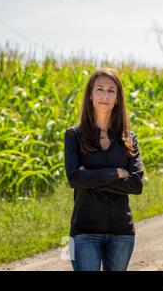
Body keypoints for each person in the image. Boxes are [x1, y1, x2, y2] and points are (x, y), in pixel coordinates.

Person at [64, 67, 145, 271]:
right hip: (84, 231)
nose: (105, 95)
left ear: (118, 98)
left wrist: (90, 179)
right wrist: (116, 173)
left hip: (122, 231)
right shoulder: (74, 135)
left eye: (111, 90)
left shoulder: (129, 138)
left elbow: (136, 184)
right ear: (90, 95)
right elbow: (74, 179)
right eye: (99, 89)